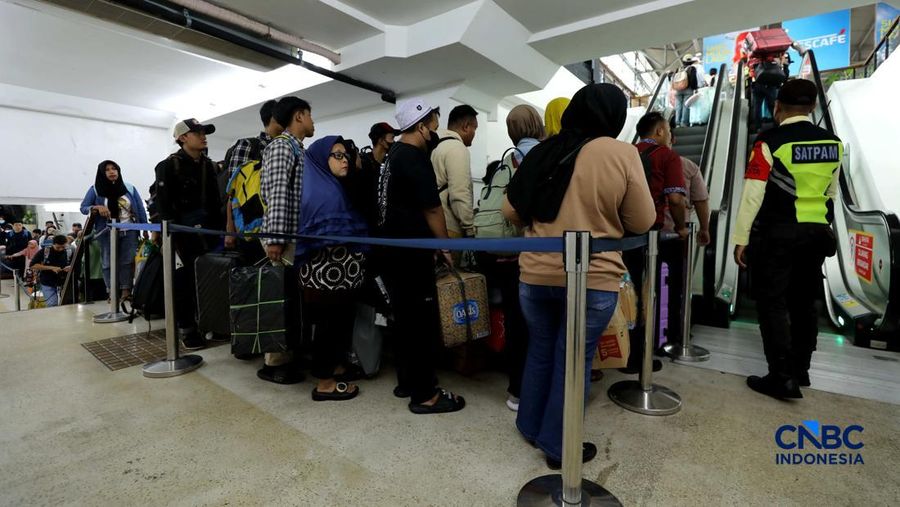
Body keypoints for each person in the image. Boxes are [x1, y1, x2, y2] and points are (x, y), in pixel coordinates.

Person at [504, 83, 656, 469]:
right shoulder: (621, 154)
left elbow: (510, 209)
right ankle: (559, 445)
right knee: (573, 359)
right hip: (592, 278)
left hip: (534, 276)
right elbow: (644, 220)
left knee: (541, 348)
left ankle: (530, 424)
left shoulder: (544, 150)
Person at [733, 79, 842, 399]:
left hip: (777, 233)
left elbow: (753, 194)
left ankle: (781, 376)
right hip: (815, 234)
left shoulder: (770, 141)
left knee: (772, 302)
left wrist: (741, 238)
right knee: (806, 302)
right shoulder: (832, 143)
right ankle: (801, 369)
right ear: (811, 109)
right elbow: (831, 193)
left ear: (778, 106)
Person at [376, 97, 465, 414]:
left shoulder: (392, 156)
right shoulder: (413, 156)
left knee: (404, 322)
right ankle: (426, 395)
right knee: (421, 324)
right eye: (433, 123)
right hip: (412, 255)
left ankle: (408, 381)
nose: (436, 129)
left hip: (392, 252)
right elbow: (431, 207)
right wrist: (444, 246)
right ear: (421, 125)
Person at [479, 103, 545, 412]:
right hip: (535, 255)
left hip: (502, 255)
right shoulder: (542, 156)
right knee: (539, 324)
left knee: (514, 320)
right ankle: (537, 389)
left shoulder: (505, 160)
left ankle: (516, 390)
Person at [296, 136, 369, 401]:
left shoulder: (332, 186)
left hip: (338, 277)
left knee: (337, 324)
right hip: (327, 277)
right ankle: (324, 383)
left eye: (345, 155)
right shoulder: (323, 194)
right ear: (320, 159)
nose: (344, 160)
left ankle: (335, 367)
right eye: (336, 155)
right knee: (329, 326)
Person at [623, 111, 689, 373]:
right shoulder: (668, 156)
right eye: (669, 132)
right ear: (660, 131)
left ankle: (623, 351)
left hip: (620, 233)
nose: (671, 137)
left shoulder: (626, 152)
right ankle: (641, 357)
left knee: (625, 292)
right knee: (645, 293)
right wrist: (682, 228)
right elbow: (675, 199)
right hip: (648, 234)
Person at [257, 96, 315, 384]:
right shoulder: (282, 146)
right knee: (280, 301)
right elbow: (278, 193)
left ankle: (288, 353)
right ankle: (274, 363)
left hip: (293, 236)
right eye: (310, 116)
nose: (313, 122)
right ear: (300, 116)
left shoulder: (295, 148)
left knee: (291, 300)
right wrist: (276, 240)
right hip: (284, 237)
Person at [154, 118, 223, 350]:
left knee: (208, 279)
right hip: (180, 234)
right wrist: (168, 238)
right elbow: (163, 206)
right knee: (183, 283)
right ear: (183, 138)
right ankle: (187, 328)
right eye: (197, 133)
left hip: (209, 232)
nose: (203, 136)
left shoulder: (209, 165)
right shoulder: (168, 165)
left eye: (204, 133)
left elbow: (215, 201)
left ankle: (210, 323)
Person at [660, 119, 711, 346]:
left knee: (648, 283)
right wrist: (705, 228)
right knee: (677, 285)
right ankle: (675, 332)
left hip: (644, 235)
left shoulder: (640, 161)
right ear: (673, 139)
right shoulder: (688, 166)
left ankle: (649, 332)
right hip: (676, 236)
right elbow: (700, 200)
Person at [80, 160, 148, 301]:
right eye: (108, 170)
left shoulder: (129, 188)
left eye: (114, 169)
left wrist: (144, 228)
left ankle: (125, 290)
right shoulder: (95, 189)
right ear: (102, 173)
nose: (112, 172)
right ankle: (111, 291)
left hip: (129, 230)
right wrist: (97, 207)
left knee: (127, 261)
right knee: (108, 262)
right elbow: (84, 207)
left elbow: (140, 209)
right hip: (106, 232)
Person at [223, 99, 282, 263]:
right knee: (253, 277)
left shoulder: (286, 148)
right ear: (274, 118)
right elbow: (233, 190)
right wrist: (230, 230)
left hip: (276, 225)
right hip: (250, 226)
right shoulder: (248, 145)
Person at [432, 104, 479, 239]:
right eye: (474, 128)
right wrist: (469, 229)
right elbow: (459, 192)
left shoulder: (433, 145)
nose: (474, 133)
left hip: (429, 223)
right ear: (465, 127)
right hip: (448, 227)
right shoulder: (457, 148)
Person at [30, 235, 73, 307]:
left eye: (63, 247)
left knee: (66, 304)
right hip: (47, 282)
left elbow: (72, 263)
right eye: (58, 247)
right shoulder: (45, 251)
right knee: (52, 304)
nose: (61, 249)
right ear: (53, 244)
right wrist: (51, 268)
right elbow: (33, 265)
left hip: (63, 282)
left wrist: (69, 267)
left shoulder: (68, 251)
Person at [674, 54, 702, 127]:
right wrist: (695, 88)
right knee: (686, 106)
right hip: (688, 89)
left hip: (678, 90)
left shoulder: (678, 69)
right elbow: (693, 80)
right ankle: (684, 123)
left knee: (678, 106)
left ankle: (677, 123)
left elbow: (673, 79)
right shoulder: (692, 68)